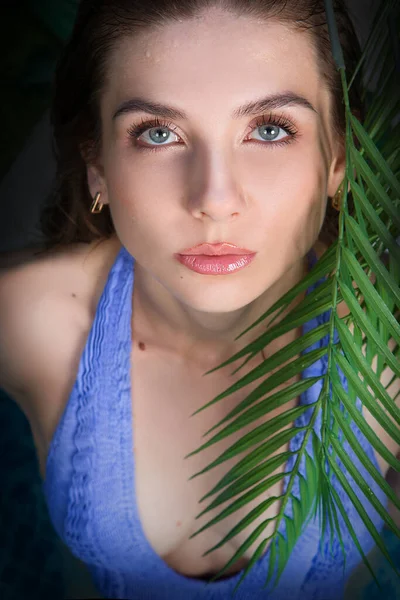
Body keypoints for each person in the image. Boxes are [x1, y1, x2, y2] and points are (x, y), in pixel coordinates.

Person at [0, 1, 397, 598]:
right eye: (158, 133)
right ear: (97, 164)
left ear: (338, 159)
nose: (214, 198)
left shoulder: (385, 355)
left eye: (270, 129)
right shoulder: (30, 320)